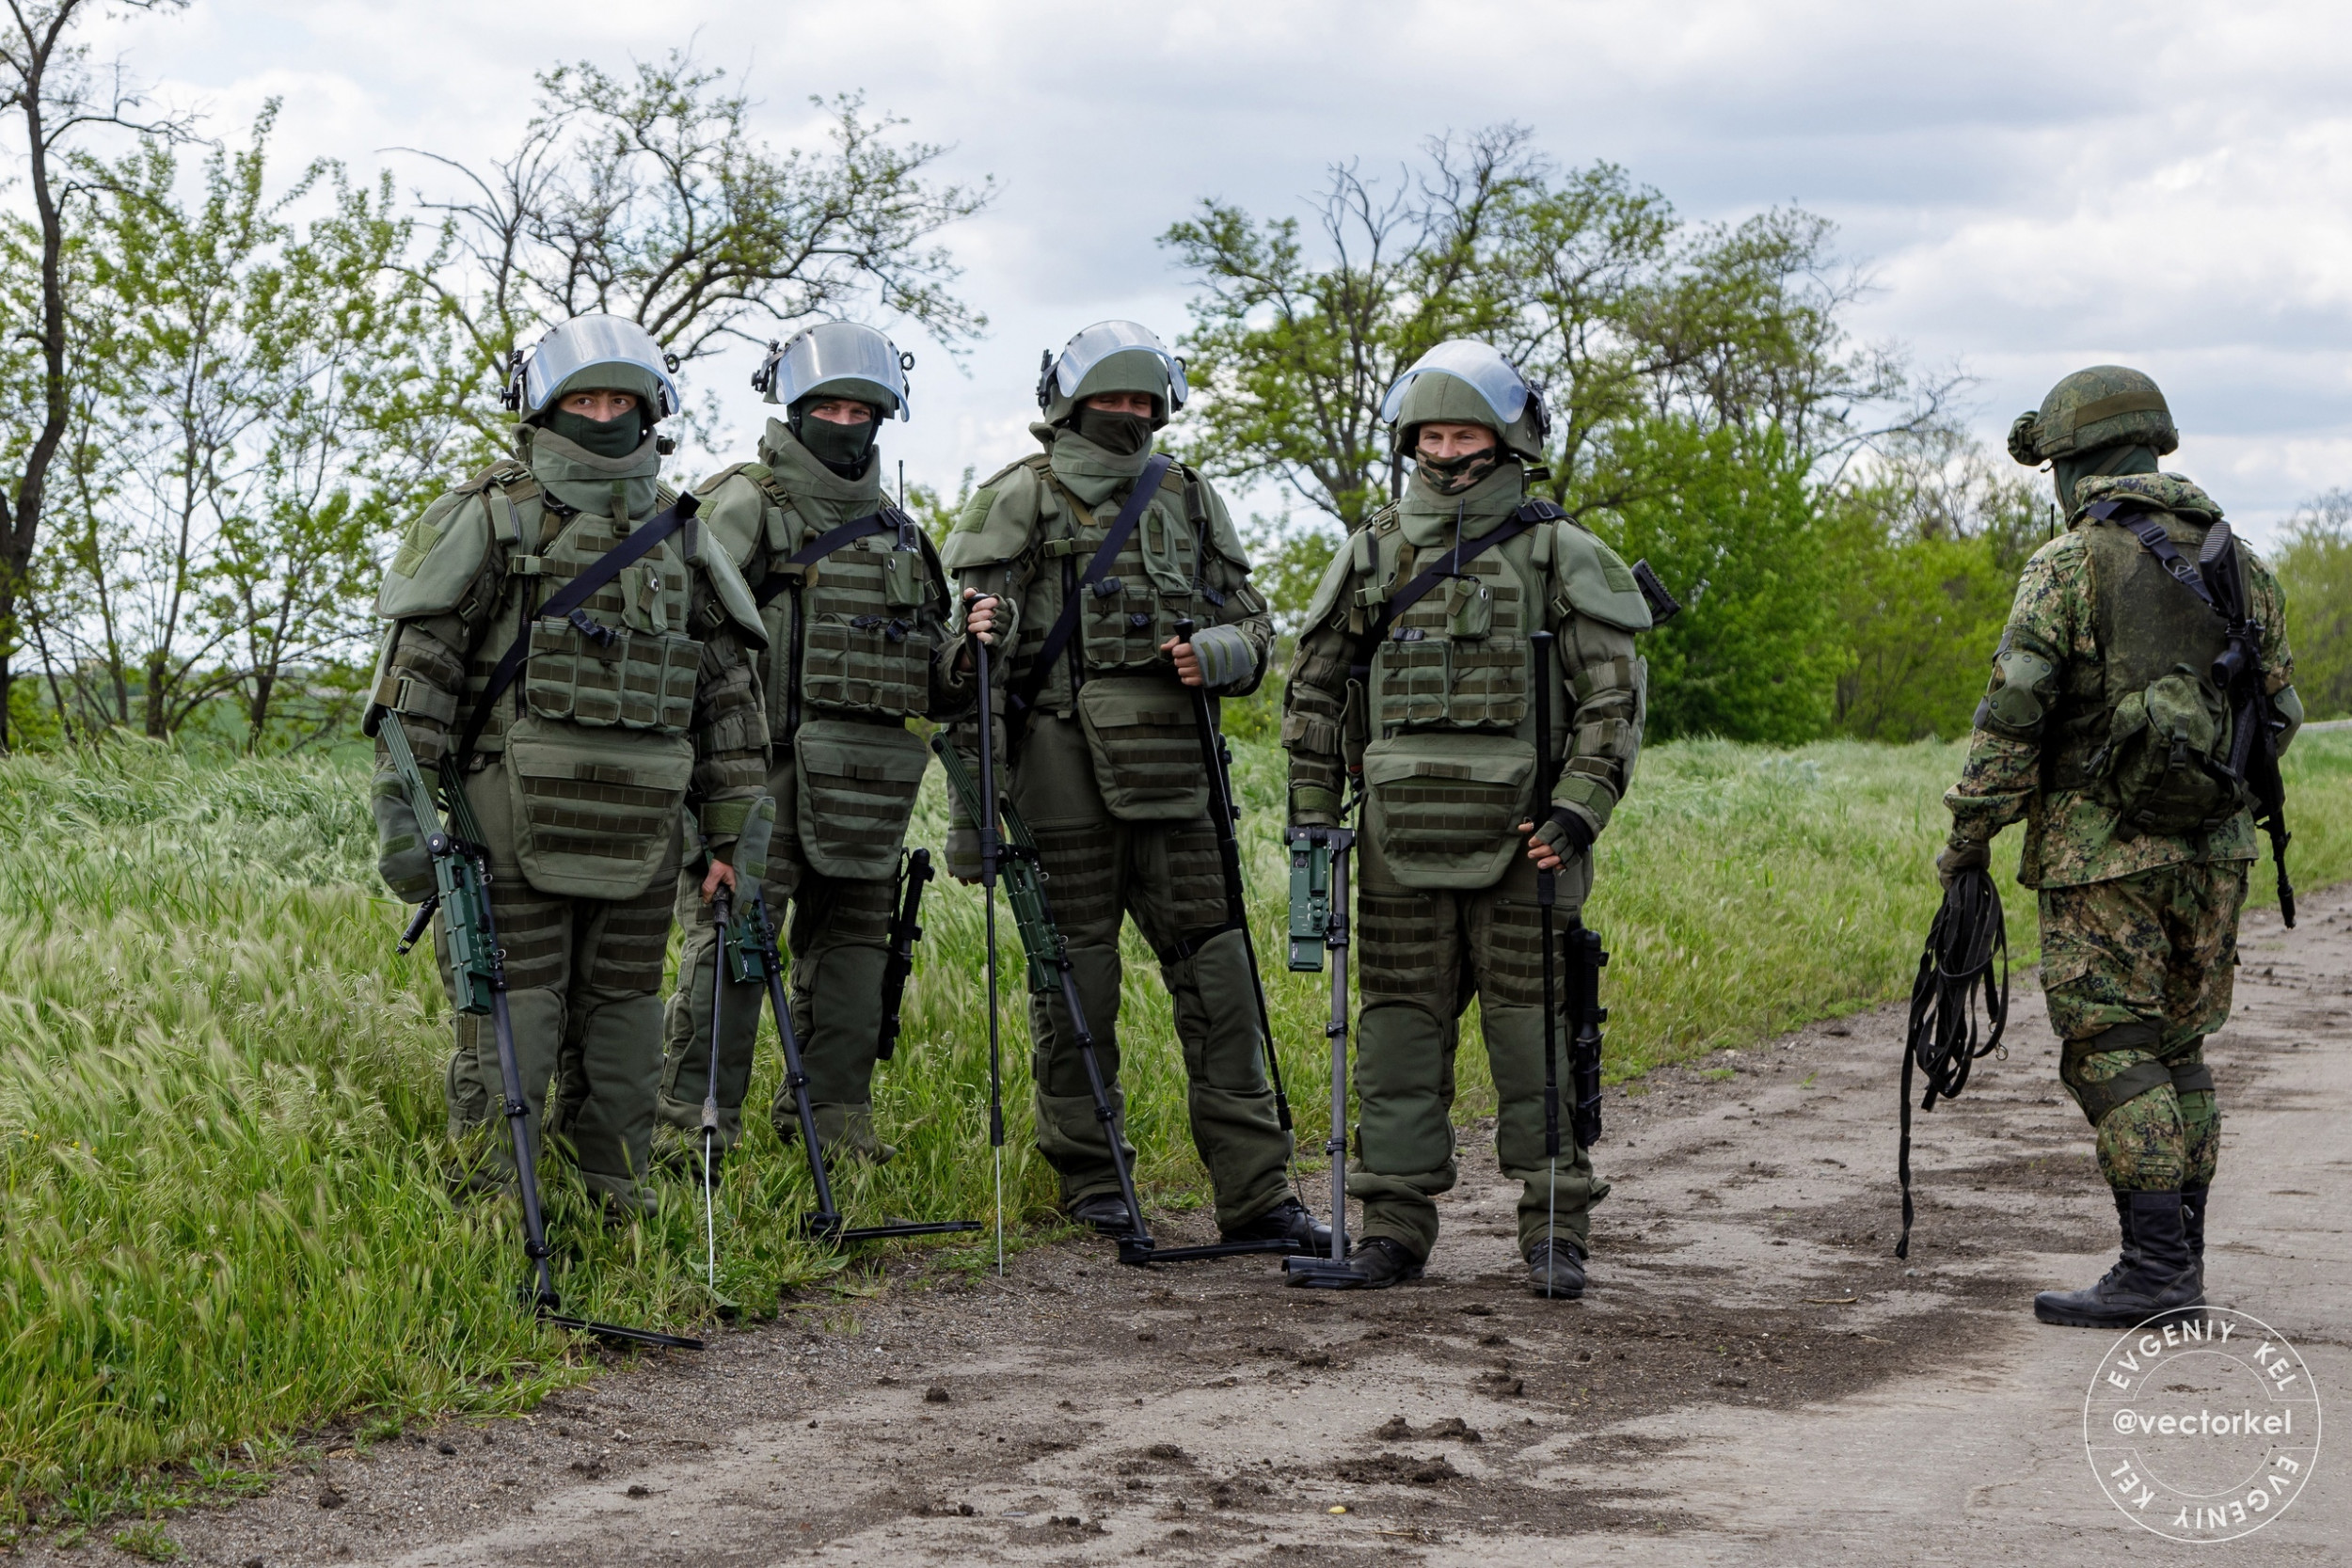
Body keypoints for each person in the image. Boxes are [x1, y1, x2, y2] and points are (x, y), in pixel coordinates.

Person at [368, 314, 771, 1217]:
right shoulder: (489, 517)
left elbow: (728, 702)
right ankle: (495, 1207)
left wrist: (732, 837)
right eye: (584, 399)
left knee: (625, 1017)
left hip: (643, 832)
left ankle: (614, 1197)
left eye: (620, 399)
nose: (604, 415)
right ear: (544, 407)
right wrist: (407, 827)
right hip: (507, 823)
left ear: (650, 409)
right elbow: (416, 687)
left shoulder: (684, 534)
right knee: (515, 1016)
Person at [936, 320, 1325, 1249]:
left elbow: (1255, 626)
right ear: (1070, 404)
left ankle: (1258, 1194)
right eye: (1111, 398)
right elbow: (967, 672)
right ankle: (1093, 1178)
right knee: (1077, 983)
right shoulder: (1017, 498)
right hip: (1057, 774)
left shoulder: (1188, 496)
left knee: (1221, 979)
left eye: (1142, 399)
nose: (1128, 413)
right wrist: (971, 818)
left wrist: (1217, 652)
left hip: (1178, 775)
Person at [1280, 340, 1651, 1296]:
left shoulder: (1559, 553)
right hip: (1396, 844)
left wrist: (1577, 812)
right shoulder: (1371, 553)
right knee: (1397, 1037)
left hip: (1527, 845)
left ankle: (1555, 1228)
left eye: (1465, 435)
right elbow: (1313, 693)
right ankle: (1391, 1228)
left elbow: (1613, 699)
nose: (1446, 454)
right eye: (1432, 436)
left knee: (1537, 1042)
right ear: (1411, 441)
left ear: (1508, 439)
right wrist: (1314, 820)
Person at [1945, 365, 2302, 1328]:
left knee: (2112, 1048)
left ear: (2073, 464)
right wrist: (2203, 793)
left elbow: (2013, 713)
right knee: (2180, 1048)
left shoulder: (2069, 564)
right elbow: (2282, 713)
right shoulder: (2240, 560)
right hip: (2217, 850)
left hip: (2099, 854)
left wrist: (1970, 838)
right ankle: (2180, 1257)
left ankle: (2154, 1269)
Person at [654, 322, 991, 1170]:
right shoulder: (744, 504)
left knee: (853, 964)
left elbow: (928, 680)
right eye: (828, 408)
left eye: (860, 410)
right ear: (795, 409)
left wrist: (967, 655)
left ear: (882, 418)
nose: (844, 423)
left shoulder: (901, 533)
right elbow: (682, 642)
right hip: (757, 781)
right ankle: (692, 1134)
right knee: (730, 957)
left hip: (867, 791)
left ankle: (837, 1127)